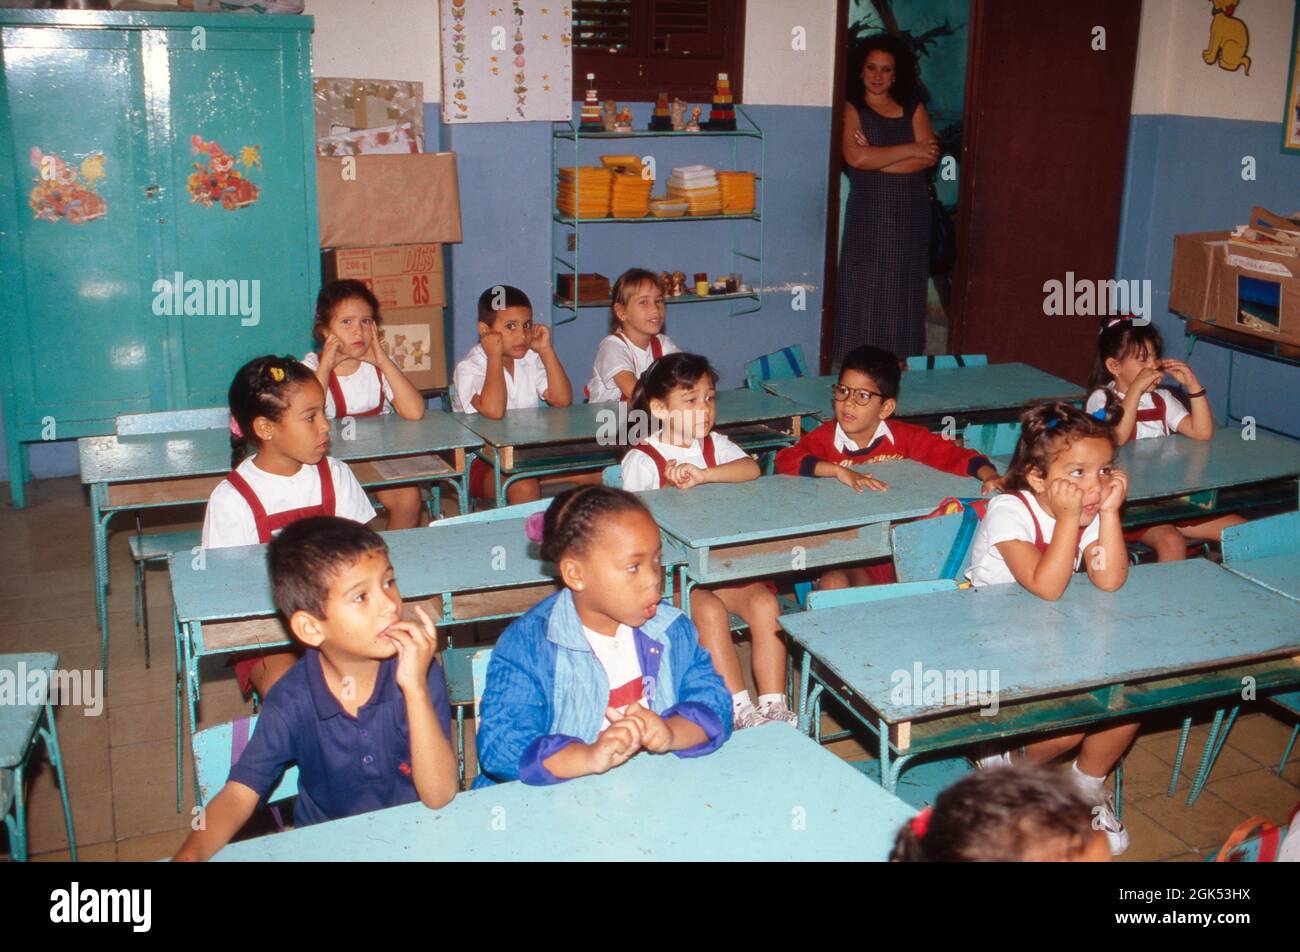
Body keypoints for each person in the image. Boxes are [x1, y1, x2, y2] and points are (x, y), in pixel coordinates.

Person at [834, 33, 939, 362]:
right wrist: (910, 150)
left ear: (896, 74)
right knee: (866, 285)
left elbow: (930, 157)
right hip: (870, 213)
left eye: (886, 69)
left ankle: (900, 359)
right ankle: (858, 360)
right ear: (861, 70)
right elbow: (856, 159)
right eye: (871, 68)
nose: (877, 76)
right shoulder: (852, 108)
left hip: (911, 215)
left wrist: (876, 157)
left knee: (903, 289)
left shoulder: (912, 105)